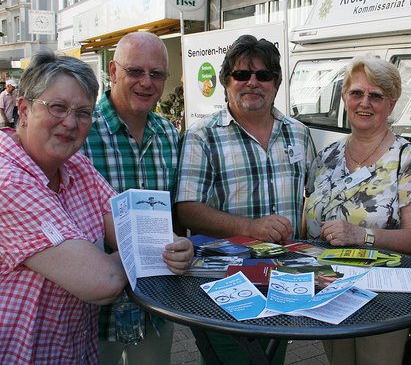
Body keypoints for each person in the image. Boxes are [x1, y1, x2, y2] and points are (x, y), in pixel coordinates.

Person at [0, 51, 192, 364]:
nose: (70, 122)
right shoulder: (9, 182)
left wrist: (172, 247)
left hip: (72, 351)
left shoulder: (76, 166)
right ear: (24, 109)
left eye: (83, 112)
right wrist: (150, 251)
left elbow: (126, 229)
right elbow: (101, 281)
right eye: (58, 107)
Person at [175, 34, 316, 364]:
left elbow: (313, 197)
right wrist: (251, 227)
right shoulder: (202, 135)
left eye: (263, 75)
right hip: (225, 282)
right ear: (226, 81)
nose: (253, 82)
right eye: (242, 74)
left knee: (271, 356)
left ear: (276, 84)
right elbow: (187, 211)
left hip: (285, 279)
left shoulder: (298, 132)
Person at [304, 54, 411, 365]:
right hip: (328, 291)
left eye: (376, 95)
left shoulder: (410, 158)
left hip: (383, 298)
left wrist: (360, 235)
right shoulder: (325, 158)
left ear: (390, 105)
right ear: (344, 98)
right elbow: (307, 221)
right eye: (357, 93)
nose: (365, 103)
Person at [81, 32, 183, 365]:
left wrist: (184, 244)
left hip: (154, 304)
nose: (146, 82)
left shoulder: (168, 134)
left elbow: (175, 216)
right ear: (113, 70)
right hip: (94, 313)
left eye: (156, 74)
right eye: (135, 71)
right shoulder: (81, 132)